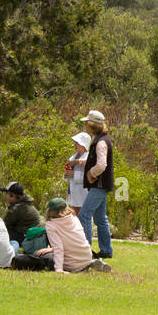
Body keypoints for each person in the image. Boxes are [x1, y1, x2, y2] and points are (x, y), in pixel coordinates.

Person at [77, 110, 114, 260]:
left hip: (98, 185)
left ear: (93, 125)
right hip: (101, 185)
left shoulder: (101, 142)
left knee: (84, 215)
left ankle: (86, 250)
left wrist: (90, 174)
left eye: (87, 123)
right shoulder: (99, 139)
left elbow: (101, 165)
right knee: (100, 219)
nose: (85, 125)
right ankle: (106, 250)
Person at [43, 197, 111, 273]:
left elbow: (58, 247)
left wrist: (59, 269)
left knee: (42, 256)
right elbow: (72, 240)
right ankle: (88, 264)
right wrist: (52, 250)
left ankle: (78, 267)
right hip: (87, 256)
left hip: (72, 265)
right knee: (52, 253)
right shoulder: (74, 218)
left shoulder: (50, 225)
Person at [65, 132, 90, 215]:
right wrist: (66, 174)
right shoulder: (72, 157)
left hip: (83, 192)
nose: (75, 145)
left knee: (83, 217)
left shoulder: (89, 158)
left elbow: (89, 176)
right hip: (73, 191)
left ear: (83, 144)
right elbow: (68, 173)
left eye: (77, 143)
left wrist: (74, 174)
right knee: (75, 216)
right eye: (75, 143)